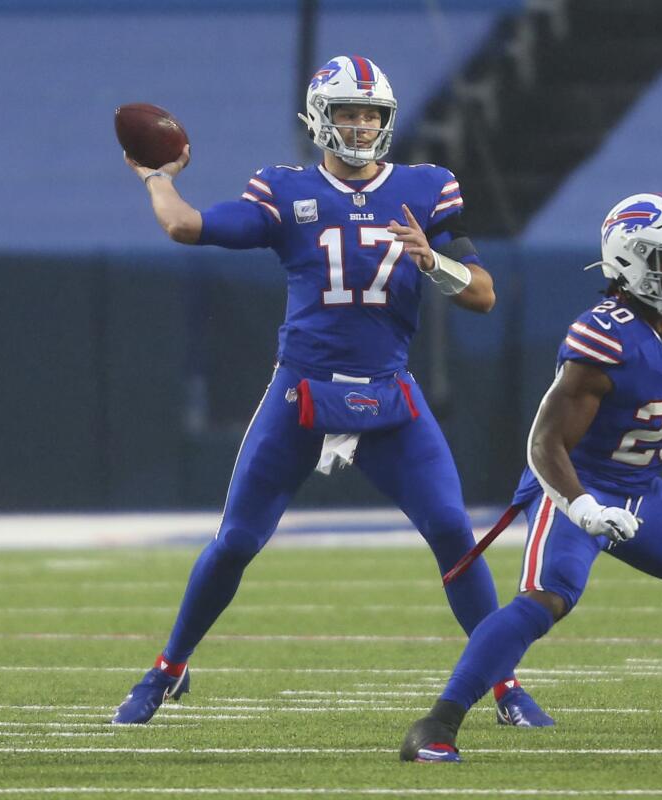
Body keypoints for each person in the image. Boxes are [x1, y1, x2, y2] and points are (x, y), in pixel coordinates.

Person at [111, 55, 551, 728]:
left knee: (453, 537)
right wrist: (157, 180)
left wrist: (434, 261)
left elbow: (485, 295)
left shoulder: (426, 188)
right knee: (235, 541)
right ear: (321, 118)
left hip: (388, 393)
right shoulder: (284, 190)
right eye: (348, 111)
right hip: (303, 392)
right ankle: (168, 669)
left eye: (371, 112)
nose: (361, 124)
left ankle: (504, 685)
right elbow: (186, 227)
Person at [399, 193, 662, 763]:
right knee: (547, 597)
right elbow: (544, 442)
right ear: (629, 261)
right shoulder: (603, 336)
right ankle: (436, 725)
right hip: (573, 482)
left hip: (639, 490)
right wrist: (581, 508)